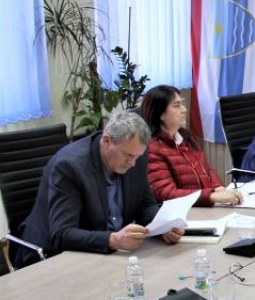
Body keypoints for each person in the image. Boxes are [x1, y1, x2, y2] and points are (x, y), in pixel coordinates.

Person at [13, 110, 183, 268]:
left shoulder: (135, 154)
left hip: (111, 256)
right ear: (107, 141)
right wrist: (112, 240)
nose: (132, 163)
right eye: (128, 155)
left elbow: (145, 205)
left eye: (137, 156)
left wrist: (163, 226)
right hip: (55, 259)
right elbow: (62, 234)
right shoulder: (70, 167)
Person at [142, 85, 243, 206]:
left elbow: (207, 170)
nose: (184, 109)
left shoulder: (185, 138)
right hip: (184, 212)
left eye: (182, 104)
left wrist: (218, 188)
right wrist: (211, 196)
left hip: (202, 206)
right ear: (160, 114)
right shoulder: (153, 149)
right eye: (177, 105)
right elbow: (167, 194)